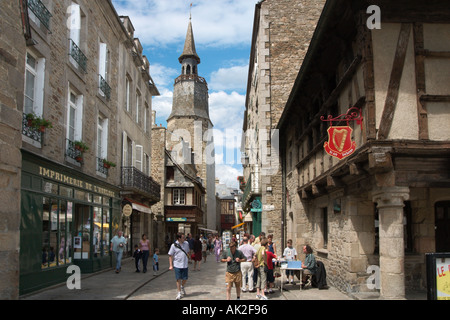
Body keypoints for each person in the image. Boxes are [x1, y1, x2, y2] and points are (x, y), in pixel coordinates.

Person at [168, 232, 191, 300]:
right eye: (183, 237)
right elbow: (170, 255)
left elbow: (187, 252)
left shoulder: (186, 244)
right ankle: (179, 292)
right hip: (177, 264)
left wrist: (189, 257)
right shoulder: (173, 245)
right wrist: (171, 265)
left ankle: (182, 286)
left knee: (185, 278)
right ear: (179, 238)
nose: (184, 238)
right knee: (178, 279)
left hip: (185, 264)